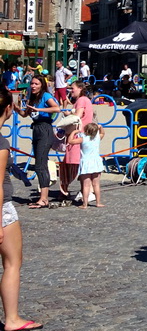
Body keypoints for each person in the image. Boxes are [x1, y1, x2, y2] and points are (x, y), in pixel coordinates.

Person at [0, 87, 43, 331]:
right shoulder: (1, 143)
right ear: (8, 109)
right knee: (13, 262)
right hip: (3, 209)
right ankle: (12, 319)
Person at [15, 75, 61, 209]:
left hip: (45, 129)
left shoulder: (46, 96)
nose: (33, 86)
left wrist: (40, 110)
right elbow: (25, 114)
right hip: (36, 129)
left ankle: (44, 198)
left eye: (36, 84)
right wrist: (16, 108)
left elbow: (56, 108)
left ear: (42, 85)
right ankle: (43, 197)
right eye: (32, 84)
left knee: (41, 164)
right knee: (39, 163)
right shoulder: (33, 98)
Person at [67, 123, 105, 208]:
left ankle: (85, 204)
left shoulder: (83, 138)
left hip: (86, 163)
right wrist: (100, 127)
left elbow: (70, 141)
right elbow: (103, 133)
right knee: (96, 184)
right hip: (96, 162)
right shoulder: (97, 137)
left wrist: (73, 132)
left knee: (86, 185)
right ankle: (98, 202)